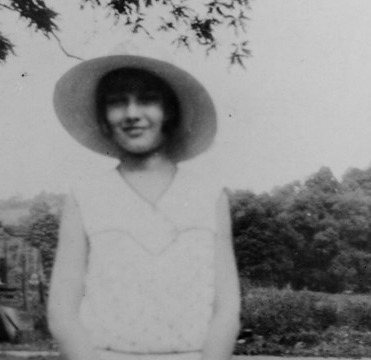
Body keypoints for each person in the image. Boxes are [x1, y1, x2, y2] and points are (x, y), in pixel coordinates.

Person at [47, 43, 241, 360]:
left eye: (148, 100)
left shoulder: (209, 195)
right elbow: (61, 313)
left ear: (169, 111)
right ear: (103, 117)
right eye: (117, 102)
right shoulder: (85, 196)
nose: (133, 114)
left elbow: (227, 309)